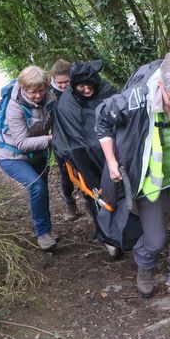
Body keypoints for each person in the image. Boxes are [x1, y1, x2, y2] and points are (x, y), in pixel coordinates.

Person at [95, 52, 170, 315]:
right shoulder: (137, 98)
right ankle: (145, 266)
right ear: (161, 85)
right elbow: (102, 119)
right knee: (155, 239)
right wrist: (111, 161)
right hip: (150, 177)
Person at [52, 60, 117, 249]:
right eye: (82, 86)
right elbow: (67, 136)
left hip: (111, 151)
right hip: (86, 157)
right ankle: (105, 234)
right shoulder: (67, 102)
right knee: (93, 192)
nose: (87, 90)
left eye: (90, 85)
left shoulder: (107, 91)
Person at [0, 65, 57, 251]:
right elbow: (22, 143)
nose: (38, 95)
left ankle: (46, 231)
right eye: (33, 92)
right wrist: (51, 139)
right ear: (23, 88)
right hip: (13, 156)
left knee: (42, 191)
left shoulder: (50, 97)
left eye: (41, 90)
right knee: (37, 186)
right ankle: (43, 234)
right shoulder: (14, 108)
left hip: (38, 154)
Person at [50, 59, 81, 221]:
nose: (63, 85)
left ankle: (92, 204)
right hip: (59, 138)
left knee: (84, 170)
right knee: (65, 173)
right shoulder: (49, 94)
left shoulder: (79, 88)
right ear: (53, 80)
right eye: (59, 82)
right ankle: (70, 205)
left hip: (78, 136)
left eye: (66, 82)